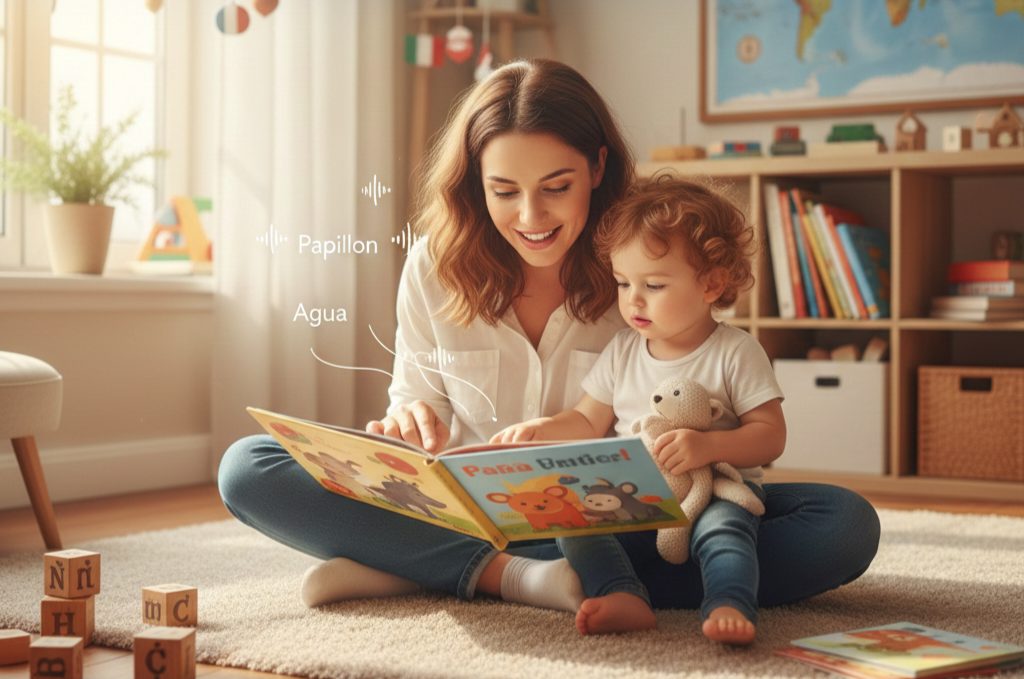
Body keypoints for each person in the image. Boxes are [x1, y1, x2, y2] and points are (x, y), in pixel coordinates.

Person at [217, 59, 880, 620]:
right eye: (504, 190)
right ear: (475, 182)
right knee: (249, 465)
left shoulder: (645, 264)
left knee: (841, 523)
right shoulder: (433, 263)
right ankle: (520, 577)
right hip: (471, 506)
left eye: (555, 188)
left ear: (596, 166)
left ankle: (417, 563)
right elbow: (418, 395)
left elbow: (711, 391)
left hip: (626, 521)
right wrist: (410, 419)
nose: (530, 218)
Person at [490, 175, 782, 643]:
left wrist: (708, 447)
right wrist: (541, 429)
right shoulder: (624, 349)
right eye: (623, 283)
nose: (633, 300)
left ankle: (729, 603)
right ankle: (621, 592)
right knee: (575, 523)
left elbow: (770, 435)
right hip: (634, 500)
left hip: (714, 496)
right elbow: (588, 419)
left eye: (654, 284)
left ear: (712, 284)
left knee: (726, 534)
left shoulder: (735, 351)